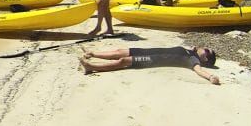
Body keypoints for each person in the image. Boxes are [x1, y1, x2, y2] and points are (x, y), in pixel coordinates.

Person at [79, 46, 220, 85]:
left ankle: (91, 67)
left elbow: (199, 71)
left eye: (207, 51)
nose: (204, 48)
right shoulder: (191, 51)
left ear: (206, 59)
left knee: (123, 61)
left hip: (152, 59)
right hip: (150, 50)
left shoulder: (192, 59)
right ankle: (93, 54)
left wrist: (211, 76)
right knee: (120, 51)